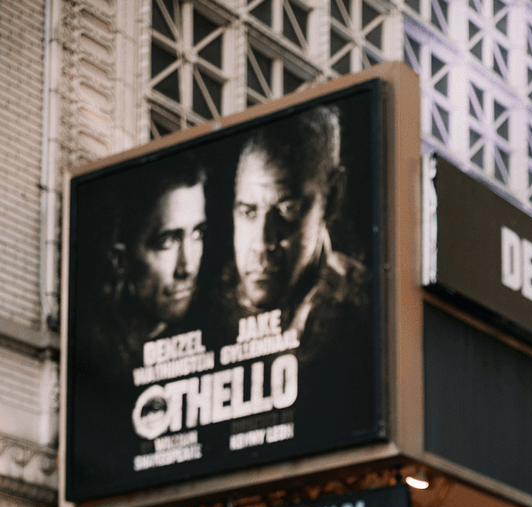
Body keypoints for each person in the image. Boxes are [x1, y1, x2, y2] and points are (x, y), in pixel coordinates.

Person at [222, 104, 366, 350]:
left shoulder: (366, 307)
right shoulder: (205, 307)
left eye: (288, 210)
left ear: (331, 199)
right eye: (248, 212)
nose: (262, 242)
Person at [104, 156, 208, 361]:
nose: (187, 268)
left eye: (197, 234)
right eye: (167, 241)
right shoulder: (94, 361)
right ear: (120, 261)